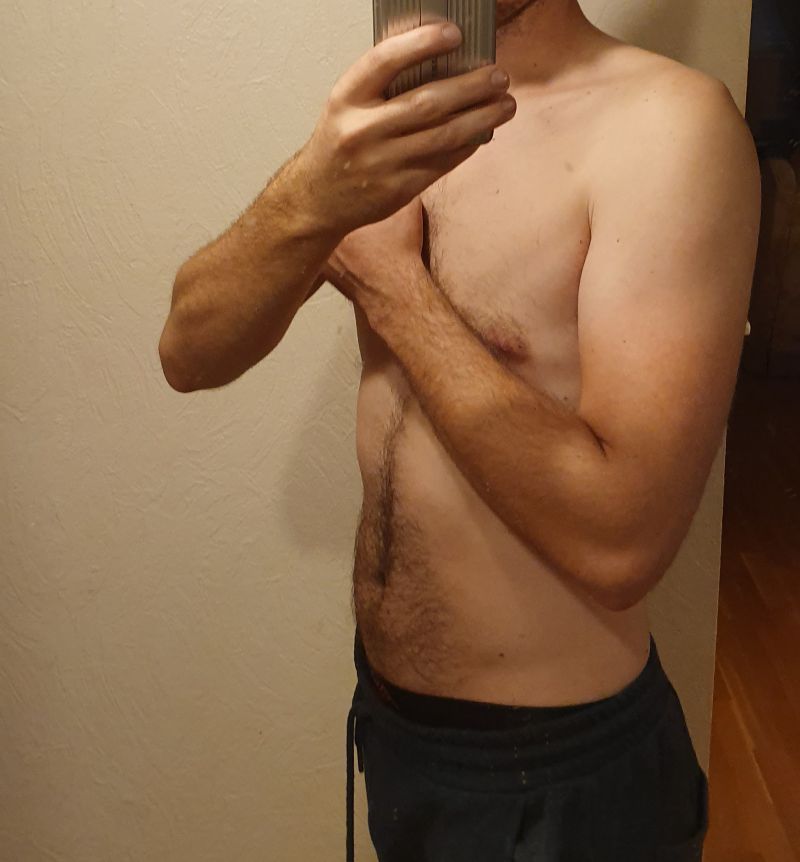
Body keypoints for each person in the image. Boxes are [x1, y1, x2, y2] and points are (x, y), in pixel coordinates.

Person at [158, 1, 761, 859]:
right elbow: (189, 353)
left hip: (559, 783)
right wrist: (310, 194)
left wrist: (391, 286)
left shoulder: (669, 127)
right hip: (397, 739)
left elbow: (624, 543)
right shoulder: (392, 121)